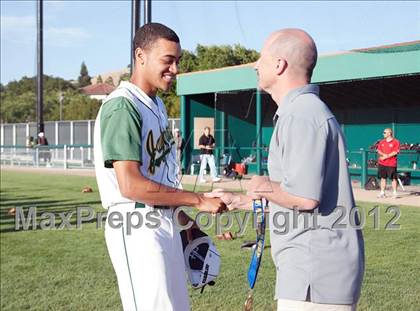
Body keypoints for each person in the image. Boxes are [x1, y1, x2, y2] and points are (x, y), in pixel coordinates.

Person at [208, 29, 364, 311]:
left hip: (315, 275)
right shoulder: (301, 111)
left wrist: (258, 185)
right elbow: (294, 198)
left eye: (261, 58)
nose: (255, 65)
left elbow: (304, 198)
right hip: (310, 272)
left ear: (279, 65)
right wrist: (241, 201)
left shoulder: (302, 114)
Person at [93, 23, 226, 311]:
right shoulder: (123, 106)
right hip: (136, 225)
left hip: (162, 222)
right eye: (168, 60)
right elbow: (131, 185)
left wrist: (185, 221)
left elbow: (159, 179)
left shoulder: (157, 106)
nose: (175, 69)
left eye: (177, 61)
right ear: (141, 56)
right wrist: (198, 200)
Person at [377, 128, 400, 198]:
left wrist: (385, 157)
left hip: (391, 164)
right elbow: (378, 150)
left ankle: (395, 193)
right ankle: (382, 193)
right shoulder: (382, 142)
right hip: (382, 163)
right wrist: (384, 156)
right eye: (383, 132)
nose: (383, 134)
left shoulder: (396, 142)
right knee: (383, 178)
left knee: (394, 178)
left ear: (389, 133)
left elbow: (395, 152)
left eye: (384, 132)